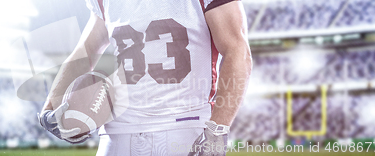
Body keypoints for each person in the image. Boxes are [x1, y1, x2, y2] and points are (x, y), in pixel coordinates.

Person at [38, 0, 252, 155]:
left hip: (183, 126)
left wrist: (217, 130)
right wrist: (50, 109)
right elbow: (85, 51)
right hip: (119, 130)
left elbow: (237, 50)